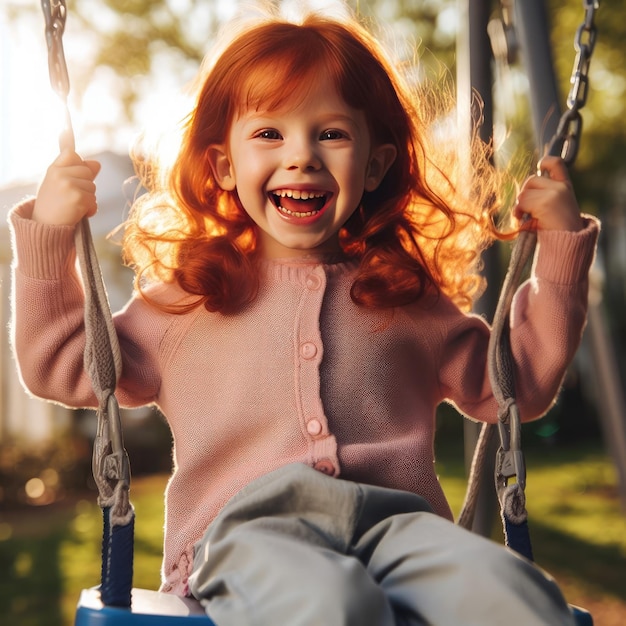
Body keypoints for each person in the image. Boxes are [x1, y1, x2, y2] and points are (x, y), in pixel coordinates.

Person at [9, 8, 599, 626]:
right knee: (332, 605)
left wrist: (559, 248)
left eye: (332, 134)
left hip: (399, 528)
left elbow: (517, 386)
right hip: (246, 535)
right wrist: (50, 235)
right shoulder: (190, 300)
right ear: (224, 167)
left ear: (373, 165)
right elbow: (65, 367)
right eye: (270, 134)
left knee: (514, 594)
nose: (302, 158)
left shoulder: (402, 298)